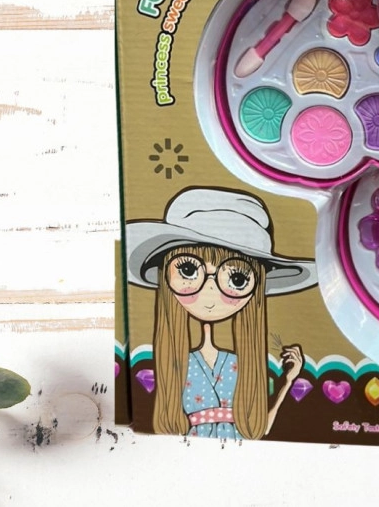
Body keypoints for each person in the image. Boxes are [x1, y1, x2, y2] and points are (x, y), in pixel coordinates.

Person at [125, 187, 316, 439]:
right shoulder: (177, 363)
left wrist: (288, 380)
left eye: (237, 279)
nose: (210, 291)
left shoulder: (242, 364)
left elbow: (259, 429)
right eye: (188, 271)